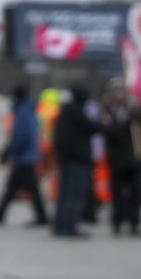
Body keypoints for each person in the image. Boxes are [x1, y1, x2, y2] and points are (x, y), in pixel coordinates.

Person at [0, 86, 50, 227]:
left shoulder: (22, 112)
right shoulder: (29, 110)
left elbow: (20, 136)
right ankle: (0, 214)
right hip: (29, 154)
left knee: (20, 187)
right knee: (19, 187)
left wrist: (9, 151)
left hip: (24, 156)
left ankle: (0, 214)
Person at [99, 79, 141, 237]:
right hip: (117, 159)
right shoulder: (108, 110)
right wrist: (125, 122)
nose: (119, 94)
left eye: (121, 91)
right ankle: (117, 222)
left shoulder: (135, 109)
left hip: (135, 157)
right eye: (116, 91)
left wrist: (139, 115)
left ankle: (134, 223)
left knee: (136, 193)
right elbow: (108, 131)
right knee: (117, 193)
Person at [50, 86, 97, 239]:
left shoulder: (65, 112)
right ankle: (69, 225)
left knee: (65, 194)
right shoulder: (76, 112)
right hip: (77, 160)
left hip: (67, 159)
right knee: (74, 195)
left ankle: (61, 225)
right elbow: (92, 127)